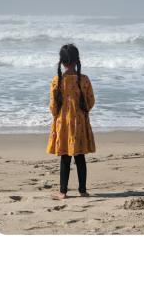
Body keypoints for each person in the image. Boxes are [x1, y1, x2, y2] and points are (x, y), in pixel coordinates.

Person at [47, 44, 96, 200]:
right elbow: (90, 101)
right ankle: (82, 190)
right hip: (80, 123)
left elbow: (54, 106)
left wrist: (58, 115)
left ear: (62, 62)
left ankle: (63, 192)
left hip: (63, 125)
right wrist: (83, 111)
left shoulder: (57, 80)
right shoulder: (84, 79)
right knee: (80, 156)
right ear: (77, 60)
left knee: (65, 158)